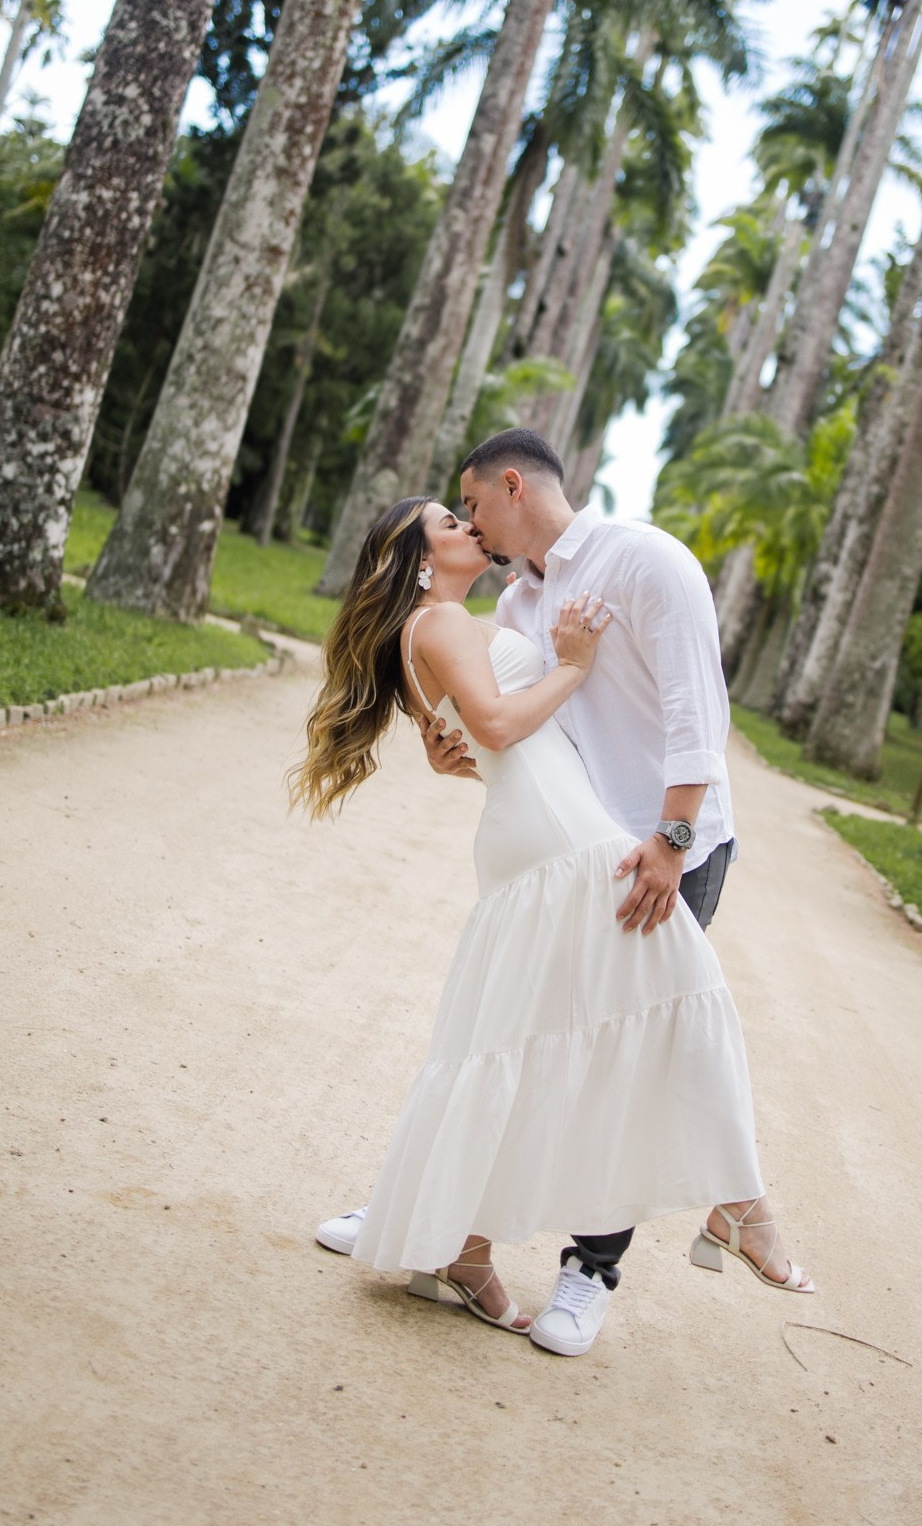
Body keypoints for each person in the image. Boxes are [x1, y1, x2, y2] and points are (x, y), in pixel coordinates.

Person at [302, 477, 811, 1356]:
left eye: (468, 507)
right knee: (675, 998)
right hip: (565, 843)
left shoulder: (484, 614)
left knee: (520, 1036)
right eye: (447, 521)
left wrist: (458, 731)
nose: (467, 525)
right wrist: (571, 667)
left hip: (551, 834)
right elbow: (498, 726)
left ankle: (455, 1233)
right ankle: (740, 1203)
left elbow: (480, 730)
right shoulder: (452, 622)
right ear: (420, 566)